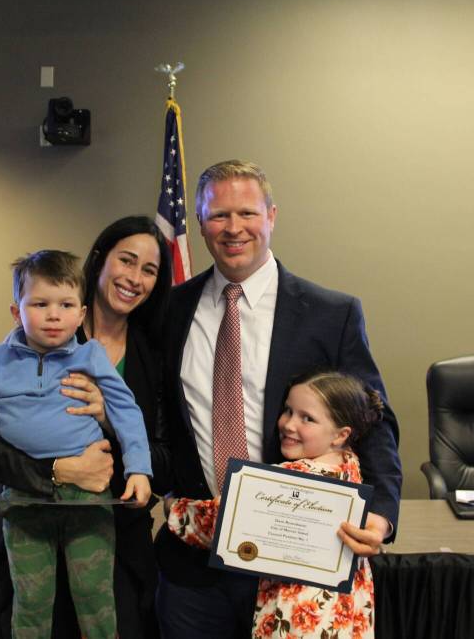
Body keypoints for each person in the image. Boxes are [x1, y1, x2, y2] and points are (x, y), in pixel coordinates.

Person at [155, 160, 403, 638]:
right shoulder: (169, 310)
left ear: (271, 216)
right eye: (218, 215)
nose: (233, 229)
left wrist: (383, 515)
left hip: (295, 566)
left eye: (246, 213)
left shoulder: (331, 314)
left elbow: (374, 420)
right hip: (193, 568)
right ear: (201, 225)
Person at [0, 216, 173, 639]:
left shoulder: (158, 356)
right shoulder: (40, 330)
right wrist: (56, 471)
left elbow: (168, 460)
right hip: (28, 525)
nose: (134, 278)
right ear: (99, 261)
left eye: (149, 270)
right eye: (126, 261)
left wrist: (107, 421)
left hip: (112, 541)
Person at [167, 370, 383, 638]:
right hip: (344, 614)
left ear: (340, 435)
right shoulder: (350, 465)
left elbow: (220, 523)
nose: (289, 424)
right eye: (288, 411)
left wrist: (173, 507)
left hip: (296, 616)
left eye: (307, 418)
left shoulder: (290, 478)